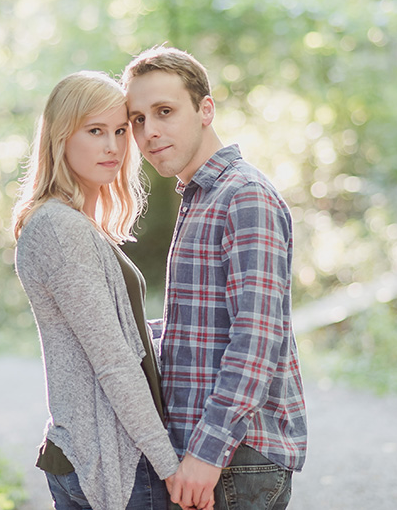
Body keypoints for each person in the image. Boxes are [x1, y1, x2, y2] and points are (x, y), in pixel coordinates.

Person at [122, 48, 308, 510]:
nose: (150, 132)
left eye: (165, 111)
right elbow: (199, 330)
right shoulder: (201, 198)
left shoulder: (244, 196)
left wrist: (208, 453)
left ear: (206, 109)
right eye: (138, 119)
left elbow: (257, 339)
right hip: (209, 453)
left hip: (235, 461)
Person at [12, 70, 180, 510]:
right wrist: (170, 466)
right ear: (61, 137)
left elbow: (112, 333)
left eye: (121, 130)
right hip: (112, 461)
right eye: (95, 131)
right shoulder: (59, 228)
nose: (114, 146)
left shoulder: (77, 225)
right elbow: (113, 363)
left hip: (98, 454)